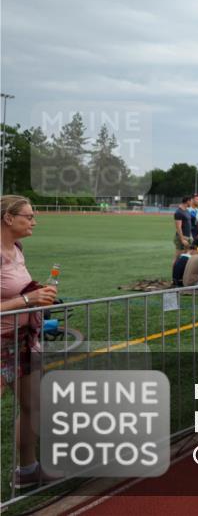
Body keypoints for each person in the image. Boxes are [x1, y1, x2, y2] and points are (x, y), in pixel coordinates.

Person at [1, 195, 59, 489]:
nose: (34, 221)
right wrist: (27, 299)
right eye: (29, 216)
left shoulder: (17, 249)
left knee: (33, 405)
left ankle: (27, 471)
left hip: (23, 341)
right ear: (9, 218)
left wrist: (37, 293)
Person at [173, 196, 192, 265]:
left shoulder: (186, 210)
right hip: (181, 237)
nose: (191, 203)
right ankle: (175, 275)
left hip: (188, 237)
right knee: (178, 257)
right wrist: (182, 239)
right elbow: (178, 227)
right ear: (187, 201)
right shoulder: (178, 212)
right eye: (191, 201)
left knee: (185, 257)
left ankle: (182, 274)